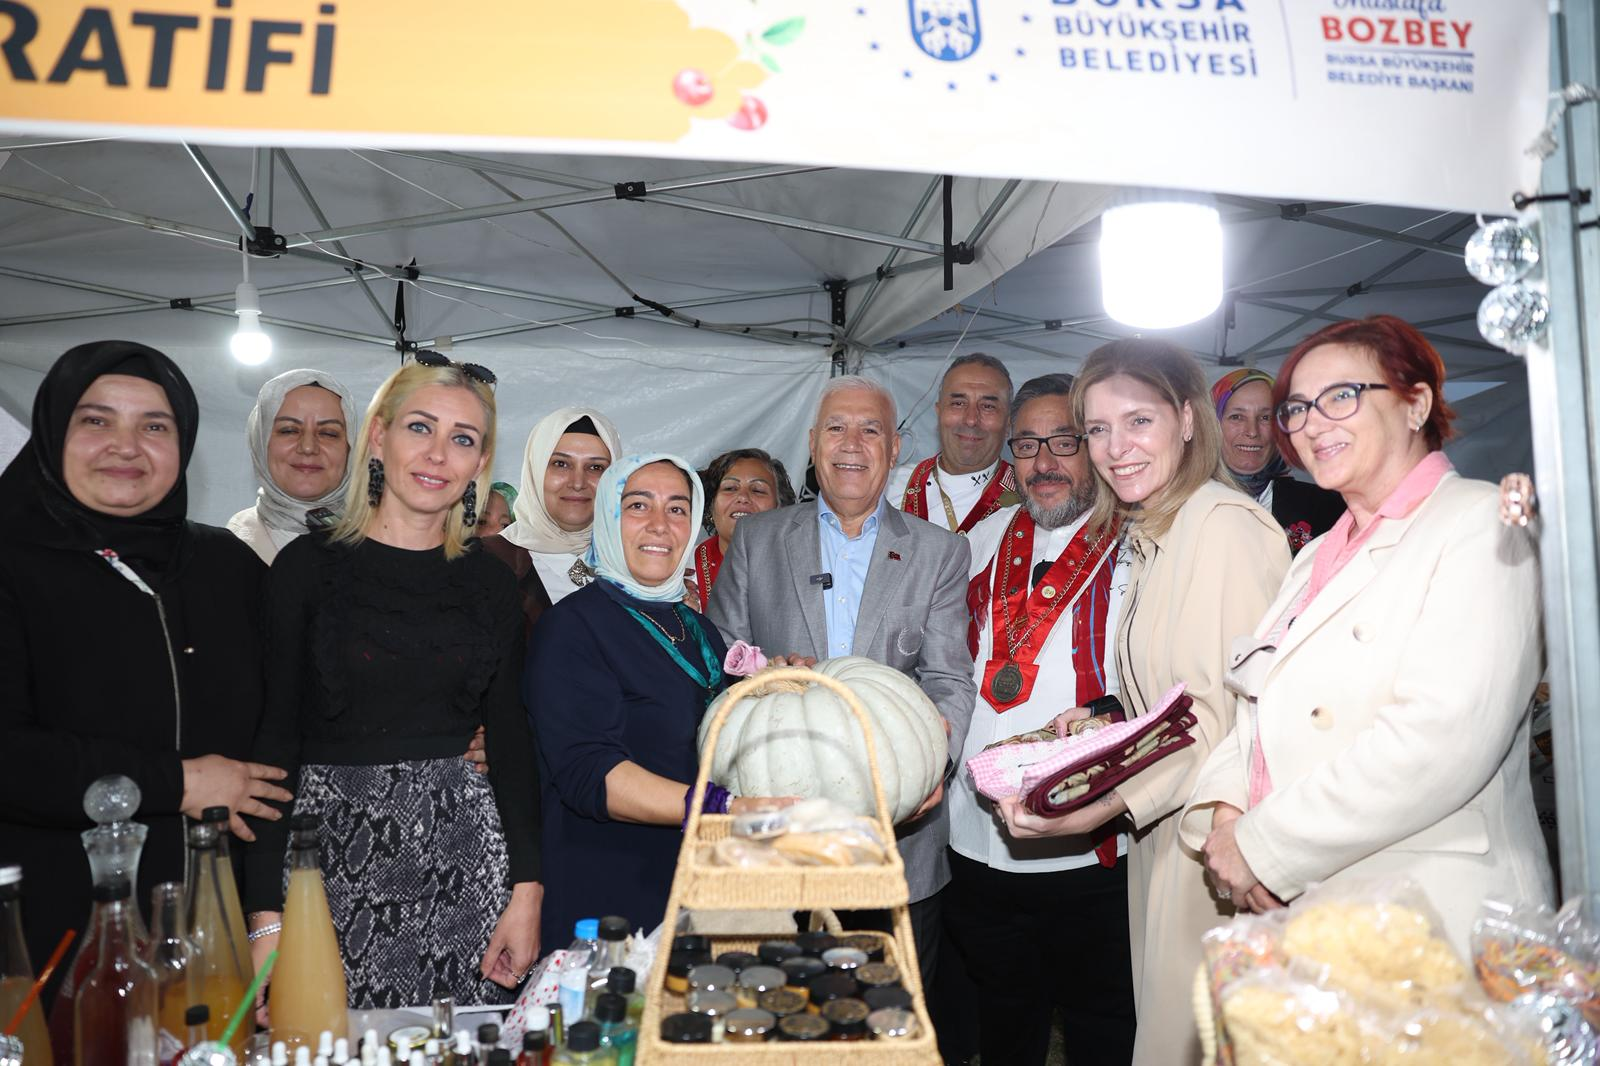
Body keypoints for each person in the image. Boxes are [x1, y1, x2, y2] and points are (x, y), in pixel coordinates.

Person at [1180, 315, 1552, 956]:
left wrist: (1264, 847)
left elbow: (1440, 741)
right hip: (1311, 906)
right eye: (1298, 407)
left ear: (1416, 404)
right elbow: (1257, 706)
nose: (1312, 423)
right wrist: (1227, 814)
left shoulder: (1482, 521)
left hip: (1435, 916)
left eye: (1342, 396)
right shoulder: (1315, 554)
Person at [995, 339, 1289, 1066]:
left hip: (1214, 839)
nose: (1115, 448)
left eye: (1138, 422)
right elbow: (1175, 692)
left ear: (1187, 420)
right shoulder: (1158, 526)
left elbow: (1231, 718)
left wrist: (1096, 806)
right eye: (1098, 428)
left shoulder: (1222, 526)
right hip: (1166, 835)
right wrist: (1107, 718)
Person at [245, 355, 540, 1008]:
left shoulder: (491, 582)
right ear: (378, 437)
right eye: (420, 427)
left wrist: (527, 891)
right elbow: (272, 744)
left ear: (479, 461)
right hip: (325, 862)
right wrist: (263, 915)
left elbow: (513, 743)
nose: (438, 454)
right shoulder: (305, 568)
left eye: (462, 438)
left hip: (464, 864)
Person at [0, 340, 287, 1000]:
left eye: (154, 426)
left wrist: (466, 735)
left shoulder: (227, 567)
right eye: (95, 420)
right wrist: (175, 782)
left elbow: (301, 707)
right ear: (54, 431)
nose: (125, 446)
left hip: (218, 930)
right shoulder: (11, 564)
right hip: (54, 939)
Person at [707, 375, 975, 988]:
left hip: (898, 839)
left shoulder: (939, 552)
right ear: (812, 443)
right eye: (836, 428)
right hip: (779, 829)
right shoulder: (757, 539)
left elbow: (949, 678)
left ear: (895, 447)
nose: (851, 444)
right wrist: (762, 677)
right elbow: (717, 659)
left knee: (892, 1014)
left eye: (870, 429)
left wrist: (932, 766)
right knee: (776, 1008)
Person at [945, 373, 1136, 1066]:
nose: (1044, 462)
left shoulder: (1140, 542)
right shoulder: (980, 539)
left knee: (1102, 1022)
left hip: (1088, 841)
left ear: (1094, 446)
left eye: (1064, 441)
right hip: (976, 839)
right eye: (1027, 444)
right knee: (1004, 1019)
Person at [526, 453, 750, 946]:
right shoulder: (572, 627)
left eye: (677, 508)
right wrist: (724, 807)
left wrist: (779, 690)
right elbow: (591, 774)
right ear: (609, 516)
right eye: (638, 505)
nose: (659, 525)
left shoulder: (699, 628)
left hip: (694, 888)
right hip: (609, 896)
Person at [478, 407, 621, 635]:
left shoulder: (632, 564)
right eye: (560, 464)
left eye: (596, 467)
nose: (577, 482)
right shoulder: (486, 562)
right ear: (534, 470)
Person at [227, 369, 358, 565]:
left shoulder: (380, 546)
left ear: (351, 448)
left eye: (329, 433)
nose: (308, 447)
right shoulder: (230, 546)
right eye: (289, 430)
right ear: (260, 442)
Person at [886, 353, 1021, 534]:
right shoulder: (889, 487)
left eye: (988, 406)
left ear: (1008, 423)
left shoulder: (1029, 498)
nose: (971, 420)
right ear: (939, 412)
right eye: (958, 403)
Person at [1212, 368, 1343, 554]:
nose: (1252, 432)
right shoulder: (1186, 503)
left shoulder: (1326, 506)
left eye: (1265, 418)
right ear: (1212, 425)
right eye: (1237, 417)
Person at [688, 447, 795, 611]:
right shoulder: (681, 572)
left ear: (780, 507)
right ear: (710, 506)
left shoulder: (803, 568)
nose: (743, 497)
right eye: (730, 488)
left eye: (758, 490)